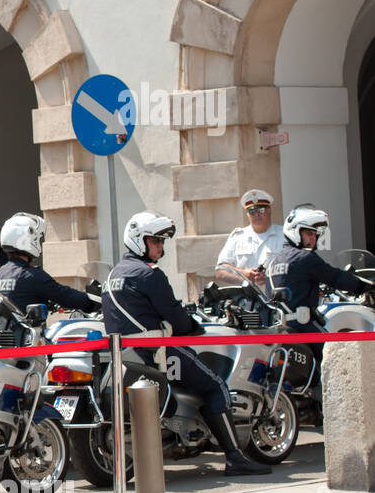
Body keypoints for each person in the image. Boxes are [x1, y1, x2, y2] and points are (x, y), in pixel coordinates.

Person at [102, 211, 269, 476]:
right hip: (157, 351)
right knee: (215, 386)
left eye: (161, 241)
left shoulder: (112, 277)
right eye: (155, 240)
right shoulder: (149, 274)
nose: (160, 246)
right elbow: (175, 317)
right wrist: (194, 327)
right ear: (138, 240)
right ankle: (235, 457)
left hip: (124, 354)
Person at [265, 204, 372, 361]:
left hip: (280, 327)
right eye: (309, 234)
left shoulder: (273, 262)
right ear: (295, 231)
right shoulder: (304, 258)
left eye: (315, 235)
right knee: (335, 359)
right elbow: (335, 277)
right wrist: (363, 286)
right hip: (303, 327)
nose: (313, 239)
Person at [0, 212, 100, 313]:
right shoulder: (31, 275)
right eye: (37, 239)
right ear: (28, 239)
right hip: (28, 332)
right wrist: (92, 300)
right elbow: (64, 295)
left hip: (9, 331)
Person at [216, 189, 285, 286]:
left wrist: (270, 277)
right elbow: (220, 271)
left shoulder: (284, 235)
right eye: (252, 211)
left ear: (269, 211)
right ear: (247, 214)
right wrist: (243, 274)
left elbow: (296, 267)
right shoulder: (238, 237)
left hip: (275, 297)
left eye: (261, 210)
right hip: (246, 297)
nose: (256, 214)